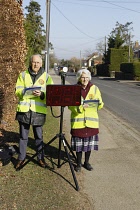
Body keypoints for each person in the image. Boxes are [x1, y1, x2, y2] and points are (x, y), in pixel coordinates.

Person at [15, 54, 53, 169]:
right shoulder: (22, 75)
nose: (35, 64)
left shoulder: (46, 77)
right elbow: (17, 90)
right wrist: (26, 92)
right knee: (23, 137)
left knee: (39, 137)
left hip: (38, 111)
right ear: (30, 63)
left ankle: (40, 158)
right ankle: (21, 158)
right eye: (33, 62)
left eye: (38, 62)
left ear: (41, 64)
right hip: (24, 111)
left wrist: (42, 94)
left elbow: (51, 94)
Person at [68, 69, 104, 172]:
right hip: (78, 123)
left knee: (88, 145)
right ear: (79, 78)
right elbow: (70, 106)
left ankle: (86, 162)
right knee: (79, 146)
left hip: (91, 123)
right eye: (83, 77)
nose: (85, 79)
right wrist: (80, 107)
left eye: (87, 77)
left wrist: (99, 104)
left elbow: (100, 102)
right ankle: (78, 163)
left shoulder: (95, 89)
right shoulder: (74, 89)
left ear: (89, 78)